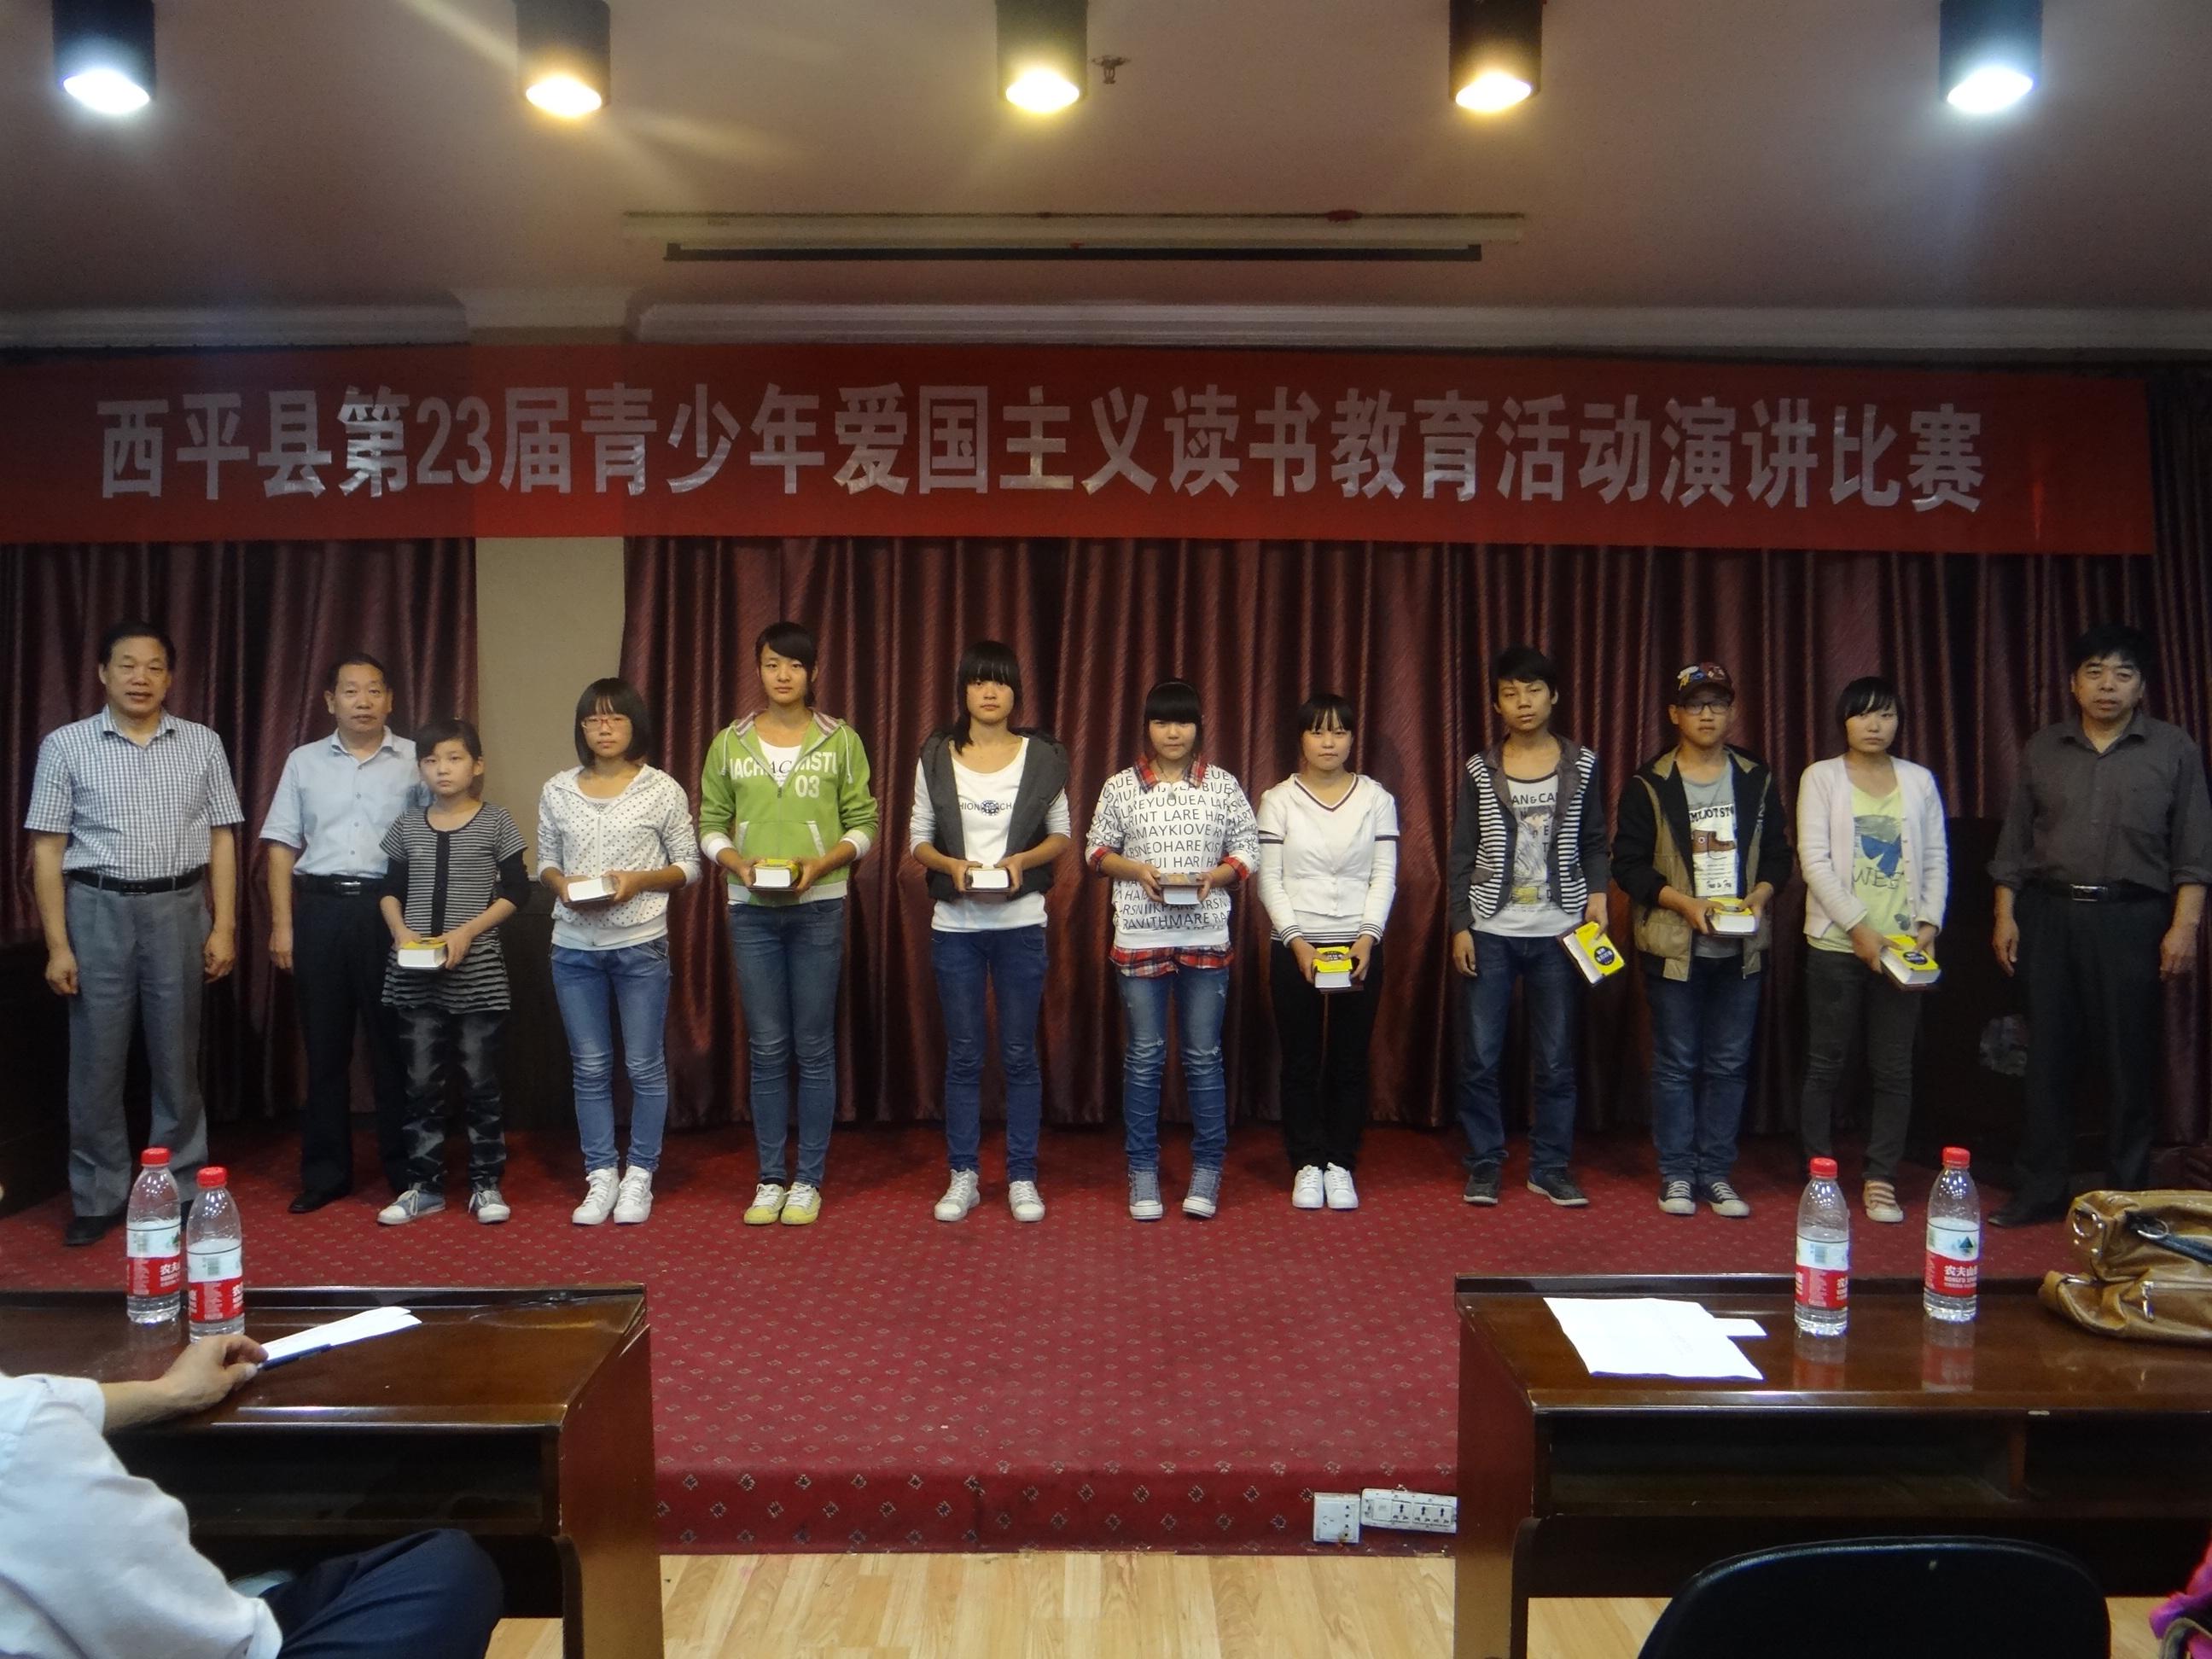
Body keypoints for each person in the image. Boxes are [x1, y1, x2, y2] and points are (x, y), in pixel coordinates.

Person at [0, 1335, 503, 1656]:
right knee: (449, 1571)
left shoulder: (27, 1420)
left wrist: (168, 1394)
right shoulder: (28, 1442)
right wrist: (238, 1610)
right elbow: (211, 1645)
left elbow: (35, 1400)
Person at [26, 620, 243, 1247]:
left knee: (178, 1055)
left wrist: (224, 924)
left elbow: (223, 837)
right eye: (127, 665)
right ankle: (99, 1194)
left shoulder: (202, 743)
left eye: (153, 667)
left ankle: (180, 1185)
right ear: (103, 673)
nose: (140, 678)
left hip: (179, 907)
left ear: (169, 678)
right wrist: (58, 944)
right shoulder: (65, 745)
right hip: (97, 908)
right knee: (96, 1060)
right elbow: (47, 848)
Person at [1988, 623, 2212, 1227]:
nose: (2107, 685)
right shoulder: (2044, 747)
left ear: (2141, 687)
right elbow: (2013, 846)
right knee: (2047, 1058)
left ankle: (2127, 1199)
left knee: (2128, 1061)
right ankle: (2041, 1188)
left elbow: (2194, 850)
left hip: (2133, 919)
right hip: (2050, 915)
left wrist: (2184, 927)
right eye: (2094, 672)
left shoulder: (2174, 749)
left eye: (2122, 674)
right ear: (2073, 683)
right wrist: (2005, 914)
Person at [698, 621, 878, 1229]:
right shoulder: (729, 742)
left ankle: (809, 1180)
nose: (783, 675)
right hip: (751, 910)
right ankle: (771, 1176)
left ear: (813, 672)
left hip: (819, 906)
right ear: (758, 669)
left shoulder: (841, 740)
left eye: (795, 665)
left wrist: (821, 864)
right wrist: (736, 864)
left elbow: (864, 823)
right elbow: (710, 823)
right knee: (768, 1046)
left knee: (814, 1046)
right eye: (772, 663)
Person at [1613, 661, 1792, 1220]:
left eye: (1717, 703)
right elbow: (1628, 866)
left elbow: (1780, 855)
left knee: (1729, 1065)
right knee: (1675, 1063)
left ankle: (1716, 1173)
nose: (1707, 714)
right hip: (1674, 945)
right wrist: (1685, 904)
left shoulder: (1756, 777)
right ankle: (1676, 1174)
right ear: (1675, 714)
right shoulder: (1649, 782)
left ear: (1732, 711)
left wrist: (1759, 897)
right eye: (1695, 705)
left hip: (1743, 947)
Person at [909, 641, 1074, 1224]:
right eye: (979, 681)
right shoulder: (937, 754)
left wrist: (1022, 861)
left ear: (1014, 693)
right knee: (963, 1055)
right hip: (955, 925)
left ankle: (1022, 1175)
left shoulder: (1042, 756)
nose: (989, 692)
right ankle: (964, 1175)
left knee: (1019, 1053)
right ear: (963, 691)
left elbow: (1062, 834)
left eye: (1000, 682)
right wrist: (950, 866)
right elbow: (918, 838)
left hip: (1020, 924)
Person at [1086, 679, 1260, 1221]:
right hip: (1140, 935)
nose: (1173, 732)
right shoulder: (1120, 787)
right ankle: (1142, 1168)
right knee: (1144, 1056)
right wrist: (1137, 870)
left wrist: (1215, 876)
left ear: (1198, 728)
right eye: (1162, 722)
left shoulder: (1223, 786)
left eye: (1183, 721)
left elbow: (1247, 850)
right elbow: (1095, 852)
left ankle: (1208, 1167)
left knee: (1204, 1056)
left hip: (1205, 935)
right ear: (1147, 728)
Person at [1446, 646, 1611, 1210]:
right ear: (1497, 703)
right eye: (1511, 693)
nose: (1523, 702)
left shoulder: (1582, 763)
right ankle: (1485, 1161)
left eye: (1534, 690)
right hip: (1490, 927)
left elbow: (1595, 840)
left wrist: (1598, 895)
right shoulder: (1480, 768)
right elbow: (1462, 853)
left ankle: (1550, 1166)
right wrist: (1460, 925)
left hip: (1560, 930)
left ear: (1553, 696)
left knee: (1557, 1058)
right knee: (1480, 1056)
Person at [261, 654, 427, 1215]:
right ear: (330, 701)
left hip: (390, 912)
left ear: (390, 700)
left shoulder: (417, 760)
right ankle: (326, 1173)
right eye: (351, 691)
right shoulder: (303, 762)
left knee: (395, 1047)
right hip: (322, 910)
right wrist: (283, 925)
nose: (363, 701)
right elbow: (281, 846)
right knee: (325, 1049)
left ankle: (407, 1170)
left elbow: (437, 838)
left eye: (374, 690)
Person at [538, 678, 701, 1227]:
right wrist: (559, 883)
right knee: (589, 1066)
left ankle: (640, 1175)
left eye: (615, 719)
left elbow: (689, 866)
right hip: (572, 947)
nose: (603, 729)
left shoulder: (662, 789)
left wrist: (639, 881)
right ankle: (600, 1173)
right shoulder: (558, 789)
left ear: (635, 726)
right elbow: (545, 860)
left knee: (643, 1064)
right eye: (592, 720)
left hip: (639, 944)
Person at [1795, 675, 1950, 1225]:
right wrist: (1859, 927)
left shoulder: (1919, 780)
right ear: (1844, 721)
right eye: (1863, 714)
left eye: (1886, 715)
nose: (1875, 725)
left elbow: (1936, 857)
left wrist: (1929, 922)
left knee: (1894, 1068)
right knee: (1825, 1064)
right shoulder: (1821, 777)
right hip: (1837, 943)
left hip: (1904, 949)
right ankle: (1819, 1171)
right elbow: (1814, 861)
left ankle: (1881, 1177)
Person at [375, 719, 530, 1226]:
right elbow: (390, 889)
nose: (442, 769)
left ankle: (486, 1184)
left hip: (478, 973)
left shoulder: (496, 821)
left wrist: (468, 931)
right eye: (431, 760)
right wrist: (400, 931)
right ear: (420, 768)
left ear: (477, 765)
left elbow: (517, 891)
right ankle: (425, 1186)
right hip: (414, 974)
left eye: (454, 758)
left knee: (481, 1082)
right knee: (421, 1083)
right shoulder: (407, 825)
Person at [1254, 692, 1399, 1213]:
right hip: (1294, 944)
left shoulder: (1376, 798)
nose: (1329, 742)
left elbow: (1384, 874)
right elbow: (1270, 880)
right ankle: (1305, 1163)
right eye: (1318, 731)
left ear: (1353, 738)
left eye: (1339, 731)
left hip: (1359, 944)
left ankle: (1339, 1162)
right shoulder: (1278, 799)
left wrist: (1367, 938)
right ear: (1301, 739)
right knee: (1299, 1060)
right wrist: (1296, 941)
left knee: (1349, 1060)